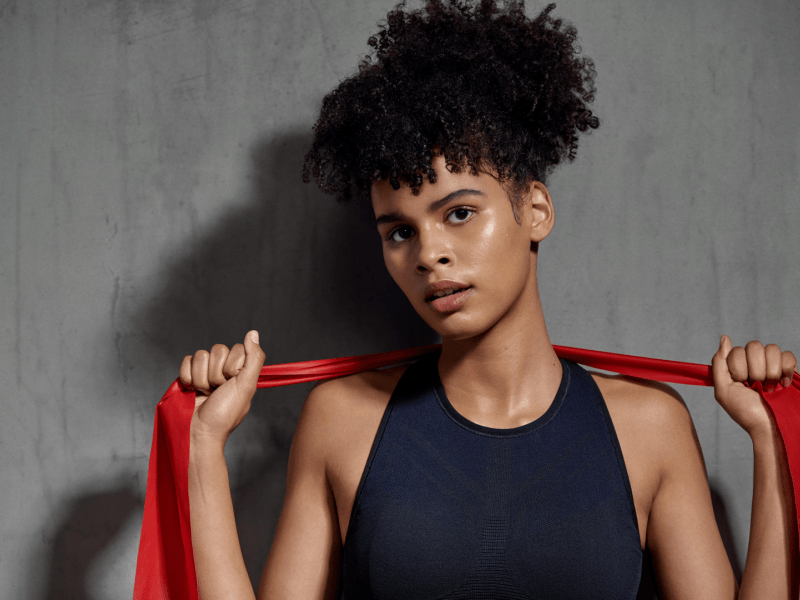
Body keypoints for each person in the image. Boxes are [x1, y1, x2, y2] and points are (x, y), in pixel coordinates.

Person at [179, 1, 798, 598]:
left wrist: (772, 439)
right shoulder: (341, 421)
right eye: (399, 231)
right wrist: (204, 448)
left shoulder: (650, 425)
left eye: (460, 213)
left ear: (535, 210)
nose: (428, 253)